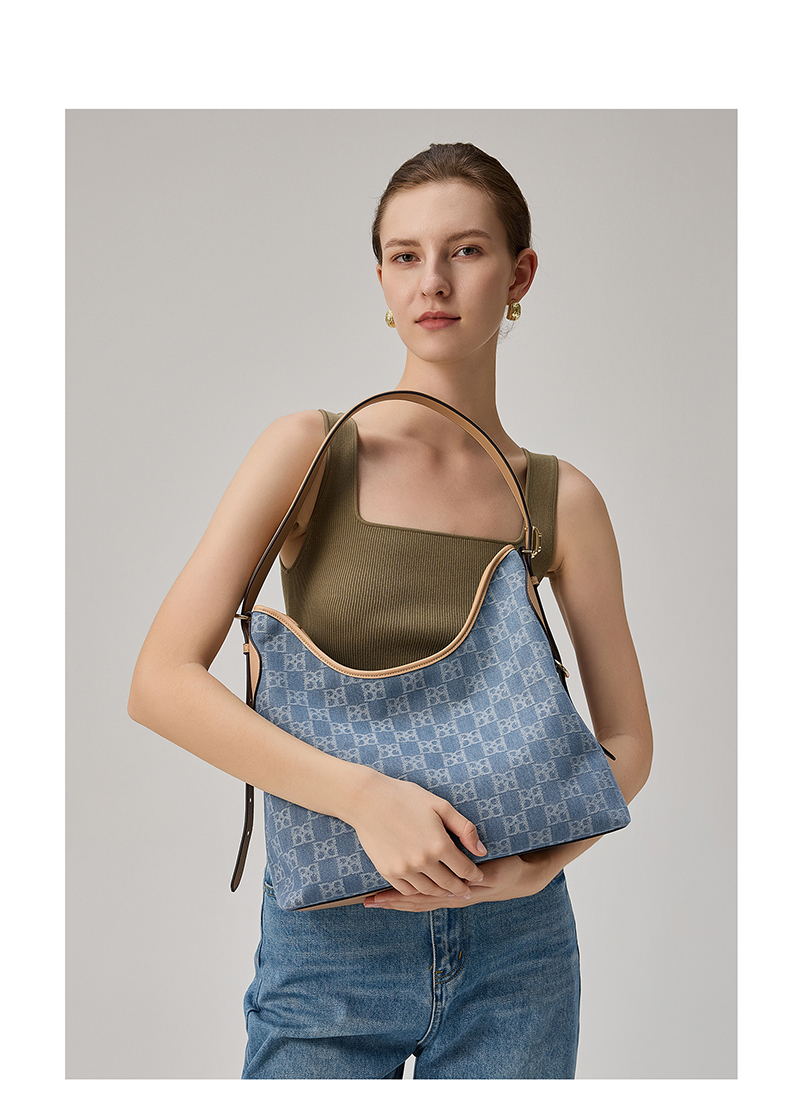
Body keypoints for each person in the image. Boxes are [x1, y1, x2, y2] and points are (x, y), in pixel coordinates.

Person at [128, 142, 653, 1080]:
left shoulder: (560, 498)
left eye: (467, 250)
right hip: (331, 944)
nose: (432, 281)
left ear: (520, 274)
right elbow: (159, 682)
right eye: (405, 255)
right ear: (381, 278)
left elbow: (626, 742)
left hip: (519, 949)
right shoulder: (312, 452)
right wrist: (364, 798)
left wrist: (537, 867)